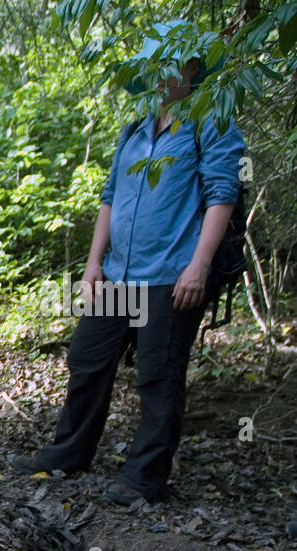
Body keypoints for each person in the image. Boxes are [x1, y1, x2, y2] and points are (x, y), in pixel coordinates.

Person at [12, 23, 245, 506]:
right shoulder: (134, 128)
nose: (167, 73)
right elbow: (110, 197)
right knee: (88, 362)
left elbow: (222, 194)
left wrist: (198, 267)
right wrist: (94, 262)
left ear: (195, 68)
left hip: (172, 273)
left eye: (177, 62)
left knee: (159, 375)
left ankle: (144, 477)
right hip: (117, 273)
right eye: (158, 62)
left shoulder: (211, 119)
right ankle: (67, 453)